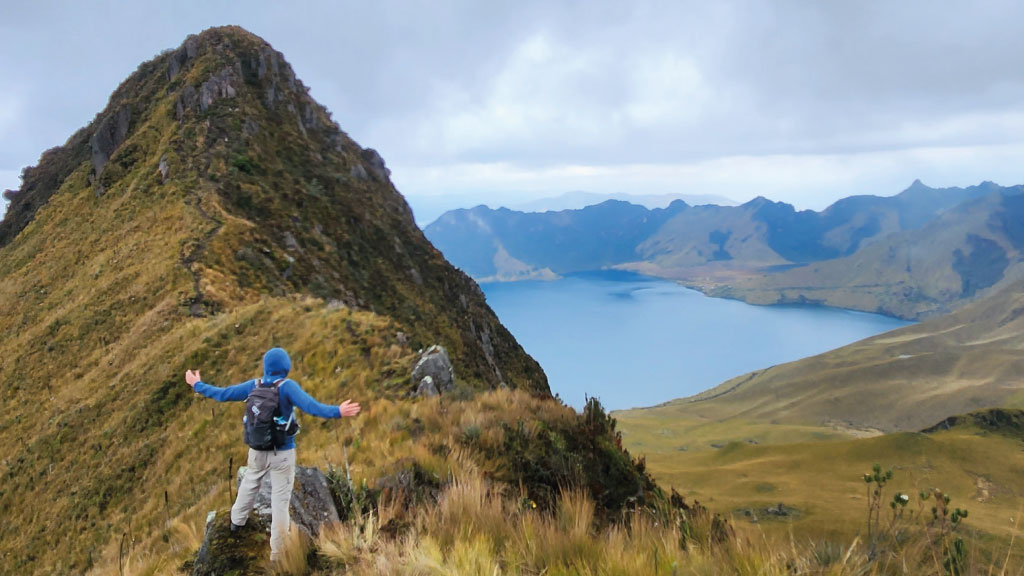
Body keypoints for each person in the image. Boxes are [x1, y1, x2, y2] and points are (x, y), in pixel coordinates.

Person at [185, 347, 361, 562]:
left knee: (250, 481)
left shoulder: (254, 385)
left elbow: (223, 394)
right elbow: (311, 407)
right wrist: (338, 411)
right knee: (280, 499)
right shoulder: (287, 387)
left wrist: (197, 384)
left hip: (257, 450)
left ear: (266, 367)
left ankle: (236, 520)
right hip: (283, 453)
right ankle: (278, 553)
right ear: (286, 367)